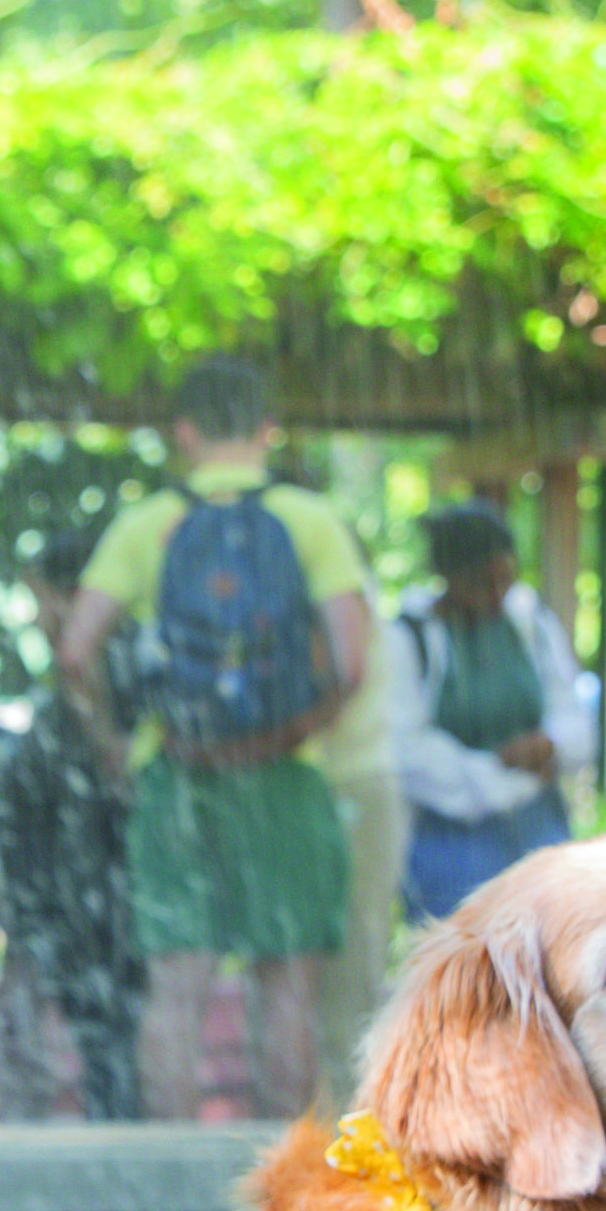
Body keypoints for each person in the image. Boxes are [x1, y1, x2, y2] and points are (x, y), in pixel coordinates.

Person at [62, 357, 372, 1115]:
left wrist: (111, 741)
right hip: (286, 783)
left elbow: (75, 650)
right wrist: (294, 730)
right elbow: (351, 659)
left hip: (176, 778)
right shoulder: (310, 521)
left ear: (185, 433)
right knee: (286, 992)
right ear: (267, 431)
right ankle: (276, 1192)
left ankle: (170, 1180)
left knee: (176, 989)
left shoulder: (146, 525)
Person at [0, 524, 144, 1115]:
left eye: (39, 601)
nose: (36, 620)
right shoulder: (125, 673)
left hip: (91, 906)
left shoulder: (105, 675)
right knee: (102, 1043)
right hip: (78, 906)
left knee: (105, 1041)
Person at [385, 498, 586, 922]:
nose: (496, 595)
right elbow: (404, 745)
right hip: (453, 836)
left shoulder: (531, 625)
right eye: (481, 583)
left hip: (539, 822)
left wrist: (550, 746)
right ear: (447, 575)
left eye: (505, 580)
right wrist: (497, 773)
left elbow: (570, 707)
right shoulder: (408, 640)